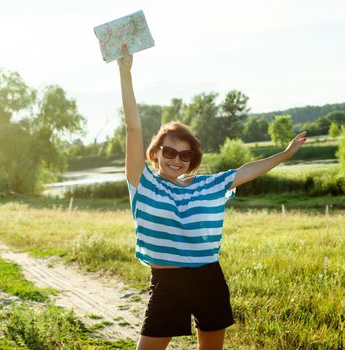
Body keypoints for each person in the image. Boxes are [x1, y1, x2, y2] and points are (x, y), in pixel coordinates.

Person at [117, 44, 307, 350]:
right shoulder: (143, 182)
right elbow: (132, 127)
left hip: (208, 279)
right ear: (155, 153)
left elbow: (246, 171)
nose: (176, 159)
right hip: (167, 284)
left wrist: (284, 155)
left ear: (192, 159)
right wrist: (125, 73)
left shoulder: (206, 185)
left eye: (184, 154)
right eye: (169, 151)